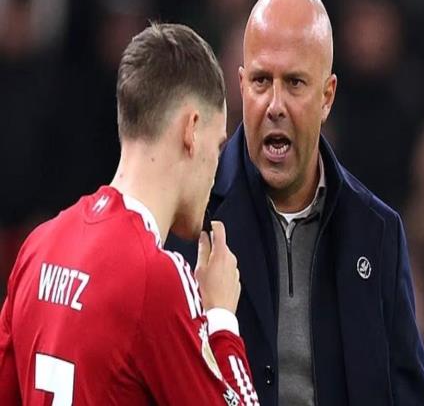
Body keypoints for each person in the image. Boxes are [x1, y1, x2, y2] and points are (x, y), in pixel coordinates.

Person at [167, 0, 424, 406]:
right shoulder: (189, 219)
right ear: (240, 85)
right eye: (261, 81)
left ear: (327, 97)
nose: (274, 104)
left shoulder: (377, 233)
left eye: (294, 83)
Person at [0, 22, 259, 405]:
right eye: (218, 146)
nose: (216, 167)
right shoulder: (157, 278)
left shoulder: (37, 248)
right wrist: (220, 319)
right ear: (191, 129)